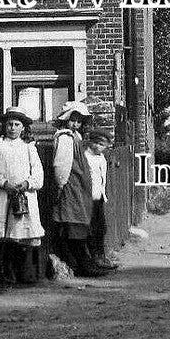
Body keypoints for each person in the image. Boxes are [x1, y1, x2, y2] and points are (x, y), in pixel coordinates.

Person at [0, 107, 45, 283]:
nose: (12, 128)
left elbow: (38, 175)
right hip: (2, 196)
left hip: (24, 196)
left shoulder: (29, 148)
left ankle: (25, 273)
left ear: (23, 128)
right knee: (0, 232)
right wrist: (4, 184)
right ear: (4, 126)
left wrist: (27, 183)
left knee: (21, 233)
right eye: (9, 124)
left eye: (17, 124)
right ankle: (0, 274)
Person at [52, 100, 97, 276]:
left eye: (79, 121)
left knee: (79, 222)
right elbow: (62, 164)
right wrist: (61, 184)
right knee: (73, 223)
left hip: (79, 185)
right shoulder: (65, 137)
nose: (76, 124)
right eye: (73, 120)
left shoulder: (75, 136)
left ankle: (83, 262)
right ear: (66, 119)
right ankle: (81, 265)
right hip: (70, 186)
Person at [82, 124, 119, 271]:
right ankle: (92, 258)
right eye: (95, 143)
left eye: (101, 144)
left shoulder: (102, 158)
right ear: (90, 142)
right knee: (90, 229)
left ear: (106, 146)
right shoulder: (86, 157)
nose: (97, 146)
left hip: (99, 197)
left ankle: (100, 256)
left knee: (101, 228)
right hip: (88, 198)